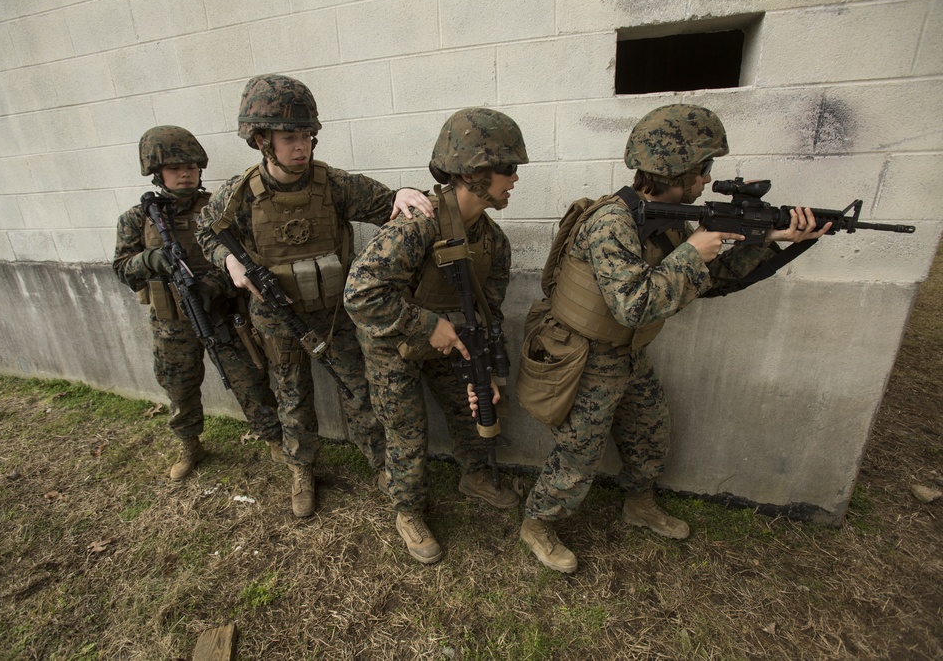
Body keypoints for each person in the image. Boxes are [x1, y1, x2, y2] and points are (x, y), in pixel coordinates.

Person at [512, 104, 831, 573]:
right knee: (578, 454)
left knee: (650, 430)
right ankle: (537, 523)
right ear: (673, 169)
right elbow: (633, 304)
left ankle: (639, 505)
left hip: (629, 353)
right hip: (584, 358)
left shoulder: (669, 220)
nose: (706, 180)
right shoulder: (612, 223)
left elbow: (713, 281)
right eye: (702, 169)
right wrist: (692, 253)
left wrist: (775, 239)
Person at [195, 74, 433, 518]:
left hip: (335, 317)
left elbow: (388, 207)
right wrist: (227, 261)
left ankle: (382, 464)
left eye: (306, 136)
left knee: (359, 390)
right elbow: (206, 230)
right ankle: (301, 468)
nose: (301, 146)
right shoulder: (239, 193)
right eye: (289, 138)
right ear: (261, 140)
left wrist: (403, 192)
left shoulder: (334, 184)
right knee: (292, 395)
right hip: (276, 319)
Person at [344, 108, 526, 564]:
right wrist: (430, 326)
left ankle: (476, 475)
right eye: (508, 168)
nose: (515, 179)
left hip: (452, 341)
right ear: (473, 172)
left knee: (471, 411)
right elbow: (361, 294)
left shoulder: (492, 241)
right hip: (394, 346)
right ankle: (407, 510)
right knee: (407, 434)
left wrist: (484, 368)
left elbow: (492, 310)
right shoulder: (418, 224)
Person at [113, 125, 283, 481]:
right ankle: (190, 444)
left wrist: (214, 283)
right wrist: (150, 260)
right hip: (171, 321)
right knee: (179, 385)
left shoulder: (218, 209)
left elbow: (248, 257)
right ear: (158, 173)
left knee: (250, 379)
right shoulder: (137, 218)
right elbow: (122, 269)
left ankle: (274, 440)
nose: (185, 173)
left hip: (221, 312)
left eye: (191, 166)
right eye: (175, 168)